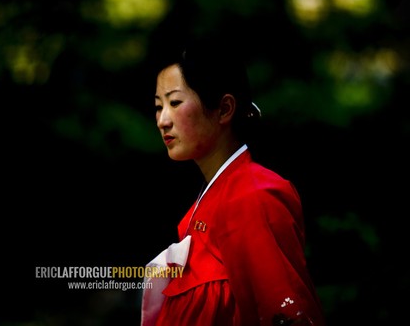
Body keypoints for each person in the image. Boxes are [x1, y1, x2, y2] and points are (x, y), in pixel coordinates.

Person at [140, 39, 326, 326]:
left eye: (175, 103)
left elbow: (287, 315)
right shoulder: (206, 206)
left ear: (224, 109)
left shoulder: (252, 197)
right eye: (158, 106)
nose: (162, 120)